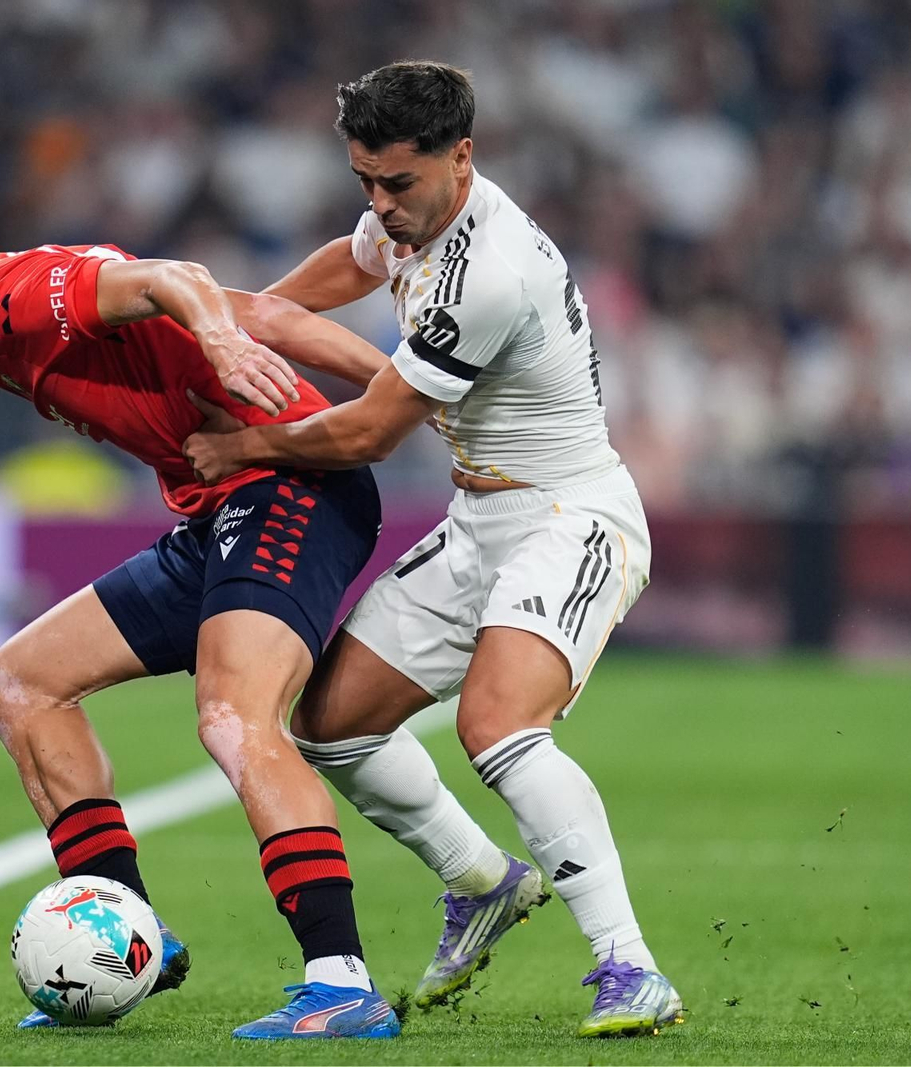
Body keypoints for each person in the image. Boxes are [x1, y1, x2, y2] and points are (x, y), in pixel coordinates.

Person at [0, 221, 401, 1040]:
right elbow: (261, 311)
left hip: (289, 486)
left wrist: (221, 345)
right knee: (20, 683)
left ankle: (341, 980)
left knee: (234, 716)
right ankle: (131, 936)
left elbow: (176, 278)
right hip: (224, 509)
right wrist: (410, 391)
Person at [183, 61, 685, 1038]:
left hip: (569, 517)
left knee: (497, 725)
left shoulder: (485, 273)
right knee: (329, 723)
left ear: (461, 158)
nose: (380, 204)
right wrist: (242, 323)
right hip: (478, 524)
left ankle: (629, 965)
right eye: (364, 180)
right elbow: (353, 257)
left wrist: (241, 441)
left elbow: (371, 431)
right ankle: (479, 879)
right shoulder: (411, 210)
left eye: (397, 184)